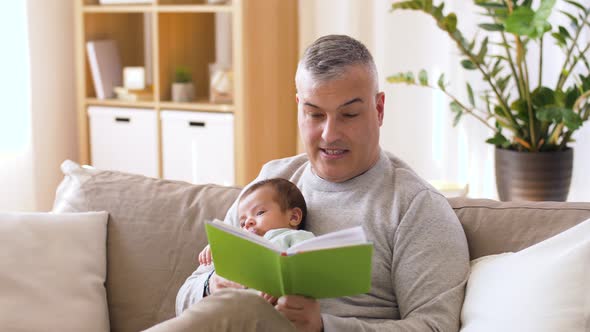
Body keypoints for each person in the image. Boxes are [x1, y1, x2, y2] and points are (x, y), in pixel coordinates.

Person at [169, 34, 470, 332]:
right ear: (299, 107)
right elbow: (185, 299)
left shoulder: (415, 206)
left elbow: (435, 326)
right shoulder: (273, 181)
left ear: (378, 109)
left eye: (349, 114)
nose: (329, 134)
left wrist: (324, 326)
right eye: (314, 114)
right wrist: (212, 286)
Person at [197, 178, 315, 304]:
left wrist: (281, 288)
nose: (248, 222)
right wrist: (218, 247)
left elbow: (308, 270)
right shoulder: (244, 245)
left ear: (293, 217)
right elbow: (225, 270)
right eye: (242, 222)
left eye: (259, 212)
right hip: (233, 304)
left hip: (269, 309)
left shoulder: (293, 237)